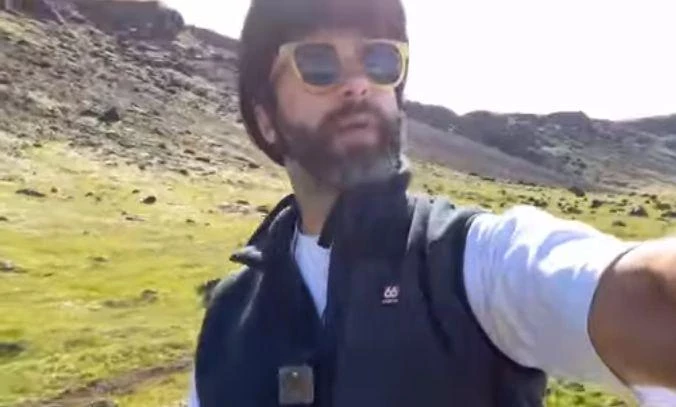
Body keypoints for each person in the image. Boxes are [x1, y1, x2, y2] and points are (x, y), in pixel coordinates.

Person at [188, 0, 676, 405]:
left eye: (380, 60)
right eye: (318, 63)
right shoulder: (228, 319)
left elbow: (647, 293)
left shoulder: (473, 263)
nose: (358, 83)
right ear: (266, 119)